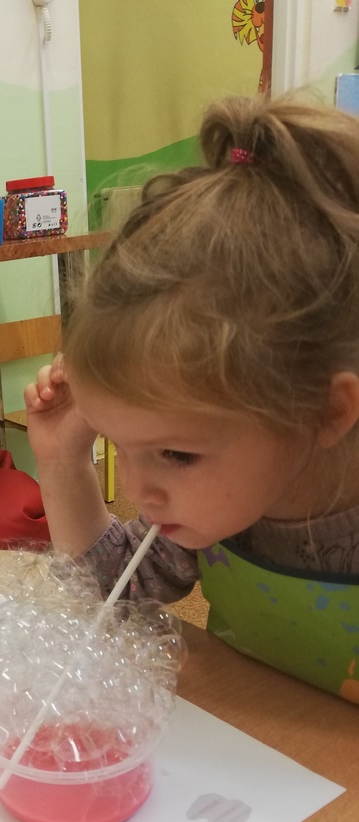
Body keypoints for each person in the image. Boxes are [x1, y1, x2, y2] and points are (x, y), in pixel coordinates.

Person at [24, 94, 359, 702]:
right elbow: (113, 599)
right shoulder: (206, 501)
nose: (139, 490)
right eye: (120, 446)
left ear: (325, 410)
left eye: (176, 454)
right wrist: (63, 460)